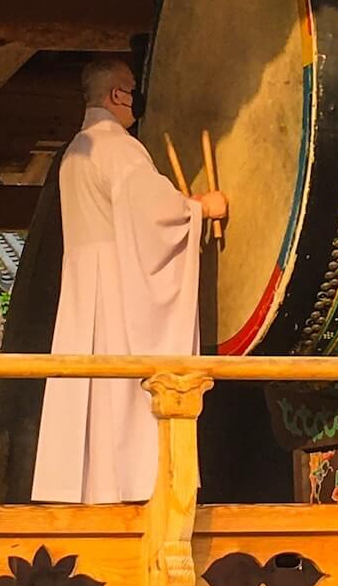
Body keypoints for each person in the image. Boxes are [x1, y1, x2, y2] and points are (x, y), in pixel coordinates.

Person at [31, 57, 227, 504]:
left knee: (93, 388)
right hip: (116, 282)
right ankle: (131, 485)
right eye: (132, 88)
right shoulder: (116, 146)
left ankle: (93, 486)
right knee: (122, 390)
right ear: (118, 94)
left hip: (84, 284)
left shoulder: (75, 154)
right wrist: (199, 209)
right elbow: (154, 212)